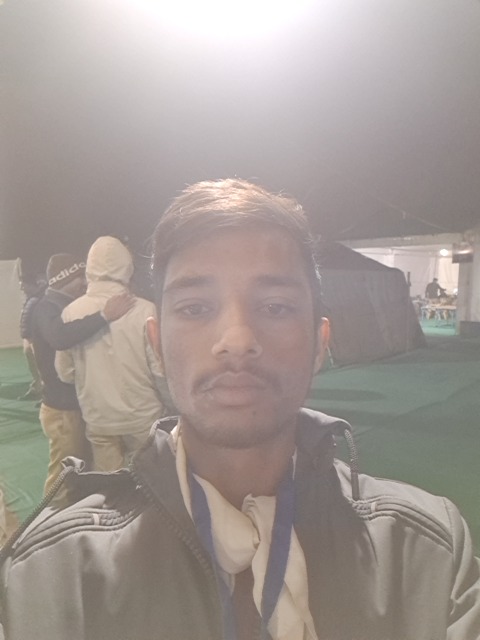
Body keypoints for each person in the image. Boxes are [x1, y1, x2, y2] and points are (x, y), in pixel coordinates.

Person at [1, 179, 479, 640]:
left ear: (320, 343)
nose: (237, 340)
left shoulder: (427, 553)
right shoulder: (50, 575)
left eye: (275, 307)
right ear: (157, 345)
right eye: (195, 308)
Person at [55, 236, 168, 472]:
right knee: (150, 480)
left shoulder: (71, 312)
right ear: (127, 266)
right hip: (142, 414)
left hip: (98, 417)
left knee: (108, 483)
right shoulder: (145, 310)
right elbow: (159, 368)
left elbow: (65, 372)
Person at [31, 253, 133, 494]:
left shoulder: (64, 305)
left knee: (81, 469)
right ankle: (53, 516)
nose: (85, 284)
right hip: (62, 409)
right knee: (64, 475)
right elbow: (59, 337)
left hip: (75, 406)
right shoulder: (45, 308)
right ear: (65, 279)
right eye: (80, 278)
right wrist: (104, 315)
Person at [17, 276, 45, 401]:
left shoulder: (41, 298)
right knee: (33, 365)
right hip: (28, 337)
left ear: (31, 284)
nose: (21, 288)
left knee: (41, 366)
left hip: (36, 338)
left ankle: (46, 394)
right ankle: (36, 388)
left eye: (23, 285)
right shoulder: (29, 299)